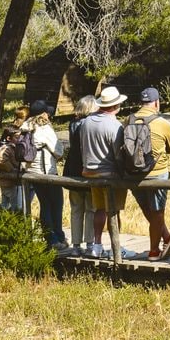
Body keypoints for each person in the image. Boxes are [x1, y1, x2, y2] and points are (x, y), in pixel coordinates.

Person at [80, 86, 129, 259]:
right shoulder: (115, 126)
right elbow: (118, 155)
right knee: (113, 211)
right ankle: (116, 248)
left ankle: (97, 245)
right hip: (109, 174)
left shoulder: (86, 122)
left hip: (90, 172)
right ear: (116, 105)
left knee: (99, 209)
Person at [130, 87, 170, 260]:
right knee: (157, 211)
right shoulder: (163, 123)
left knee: (147, 210)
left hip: (134, 173)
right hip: (157, 173)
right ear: (157, 103)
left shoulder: (129, 120)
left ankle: (167, 238)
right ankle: (154, 250)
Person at [23, 101, 67, 248]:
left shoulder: (25, 128)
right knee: (56, 204)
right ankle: (57, 238)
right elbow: (58, 151)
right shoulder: (44, 129)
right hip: (46, 172)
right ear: (43, 114)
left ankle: (49, 237)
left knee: (44, 204)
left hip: (31, 172)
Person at [64, 95, 99, 254]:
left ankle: (76, 245)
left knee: (76, 209)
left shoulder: (73, 123)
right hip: (87, 168)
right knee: (90, 208)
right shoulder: (89, 124)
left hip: (72, 169)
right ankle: (90, 243)